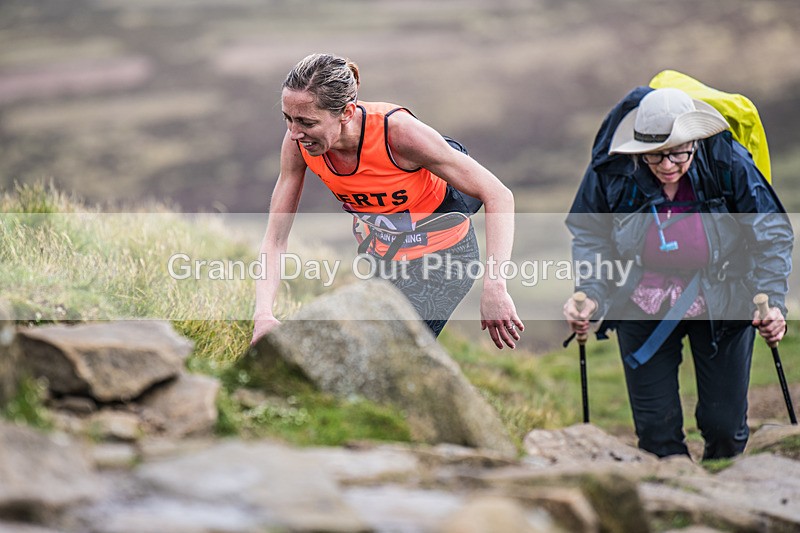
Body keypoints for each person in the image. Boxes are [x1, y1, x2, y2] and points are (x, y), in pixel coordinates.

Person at [562, 87, 793, 459]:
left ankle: (722, 482)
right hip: (643, 297)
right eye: (654, 155)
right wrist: (591, 293)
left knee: (724, 426)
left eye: (678, 153)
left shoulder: (726, 160)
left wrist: (773, 300)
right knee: (655, 430)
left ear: (695, 142)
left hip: (723, 297)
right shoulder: (615, 169)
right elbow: (591, 231)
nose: (667, 165)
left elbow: (771, 230)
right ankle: (670, 485)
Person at [252, 53, 523, 349]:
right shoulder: (298, 143)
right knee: (360, 349)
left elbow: (499, 195)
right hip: (382, 257)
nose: (294, 133)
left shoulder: (399, 134)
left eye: (306, 121)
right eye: (288, 118)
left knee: (387, 350)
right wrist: (263, 315)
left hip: (444, 259)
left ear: (346, 112)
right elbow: (275, 239)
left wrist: (495, 287)